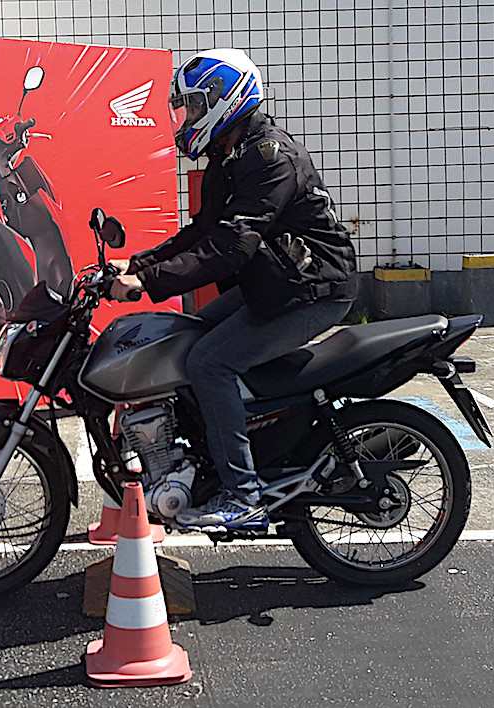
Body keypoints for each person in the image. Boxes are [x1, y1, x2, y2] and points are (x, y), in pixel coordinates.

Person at [109, 48, 358, 528]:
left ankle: (242, 495)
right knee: (182, 335)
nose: (189, 117)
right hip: (275, 282)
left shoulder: (270, 158)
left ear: (227, 98)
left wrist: (148, 282)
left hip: (314, 288)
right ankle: (205, 451)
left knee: (209, 362)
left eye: (196, 105)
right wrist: (138, 264)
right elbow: (203, 230)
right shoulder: (229, 156)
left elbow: (231, 246)